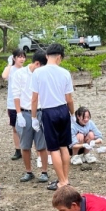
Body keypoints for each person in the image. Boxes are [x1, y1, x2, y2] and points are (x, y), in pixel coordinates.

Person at [30, 43, 75, 191]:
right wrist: (73, 114)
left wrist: (33, 117)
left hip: (48, 111)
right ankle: (65, 178)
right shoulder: (65, 73)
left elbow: (34, 99)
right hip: (63, 109)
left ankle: (62, 181)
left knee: (54, 148)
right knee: (64, 146)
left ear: (47, 56)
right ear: (59, 57)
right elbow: (69, 99)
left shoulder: (38, 73)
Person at [11, 50, 50, 183]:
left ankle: (44, 171)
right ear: (37, 64)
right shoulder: (19, 74)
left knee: (42, 144)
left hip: (40, 112)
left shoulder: (43, 74)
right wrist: (19, 114)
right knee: (25, 145)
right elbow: (15, 94)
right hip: (25, 112)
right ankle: (28, 171)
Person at [4, 51, 26, 160]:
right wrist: (9, 64)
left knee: (26, 128)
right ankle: (18, 150)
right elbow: (4, 76)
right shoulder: (11, 69)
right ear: (14, 58)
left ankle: (26, 149)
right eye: (19, 57)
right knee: (15, 128)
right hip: (12, 103)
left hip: (24, 103)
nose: (21, 59)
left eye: (23, 57)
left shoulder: (25, 70)